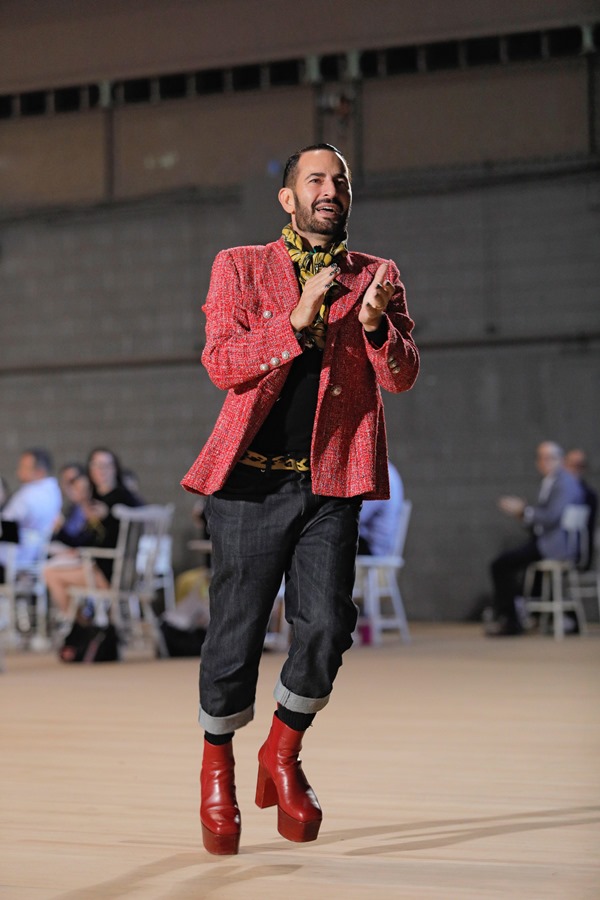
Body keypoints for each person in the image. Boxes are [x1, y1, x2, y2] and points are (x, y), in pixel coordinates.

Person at [181, 142, 419, 855]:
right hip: (250, 480)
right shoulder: (241, 266)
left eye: (339, 179)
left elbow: (401, 377)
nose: (330, 188)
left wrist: (376, 326)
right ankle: (216, 763)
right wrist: (291, 323)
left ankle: (281, 751)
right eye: (315, 178)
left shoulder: (377, 275)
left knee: (325, 628)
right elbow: (223, 363)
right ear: (287, 198)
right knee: (236, 635)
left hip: (330, 481)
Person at [487, 441, 585, 636]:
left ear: (560, 460)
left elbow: (551, 517)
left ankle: (510, 619)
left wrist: (524, 510)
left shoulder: (563, 482)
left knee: (501, 564)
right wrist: (523, 514)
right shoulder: (554, 481)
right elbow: (541, 519)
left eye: (550, 458)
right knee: (513, 564)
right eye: (541, 458)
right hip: (548, 542)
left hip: (554, 546)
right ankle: (520, 615)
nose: (545, 462)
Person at [43, 447, 141, 616]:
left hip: (113, 571)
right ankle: (81, 626)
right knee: (51, 568)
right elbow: (84, 540)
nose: (100, 471)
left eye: (106, 465)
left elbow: (138, 514)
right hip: (98, 564)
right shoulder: (95, 500)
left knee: (50, 573)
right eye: (96, 465)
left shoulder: (122, 497)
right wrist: (61, 530)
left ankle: (80, 627)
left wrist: (109, 514)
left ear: (114, 468)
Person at [0, 448, 62, 581]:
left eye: (24, 467)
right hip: (34, 557)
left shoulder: (29, 494)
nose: (19, 471)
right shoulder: (54, 491)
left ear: (39, 471)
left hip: (14, 559)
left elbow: (6, 524)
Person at [357, 461, 404, 555]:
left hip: (373, 550)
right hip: (374, 546)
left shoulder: (379, 475)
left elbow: (356, 516)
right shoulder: (386, 469)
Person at [564, 448, 598, 567]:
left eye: (579, 466)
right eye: (571, 465)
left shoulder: (589, 495)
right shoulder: (558, 491)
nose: (574, 470)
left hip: (574, 553)